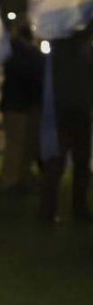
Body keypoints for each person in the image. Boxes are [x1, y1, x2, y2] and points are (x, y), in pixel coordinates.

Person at [40, 25, 92, 223]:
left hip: (63, 112)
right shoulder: (79, 54)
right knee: (77, 163)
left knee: (57, 164)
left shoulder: (59, 52)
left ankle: (50, 209)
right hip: (74, 112)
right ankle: (77, 208)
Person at [0, 24, 43, 194]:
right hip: (23, 105)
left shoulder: (12, 53)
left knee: (18, 144)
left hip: (14, 104)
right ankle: (12, 180)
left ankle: (19, 177)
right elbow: (34, 77)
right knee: (20, 145)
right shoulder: (29, 55)